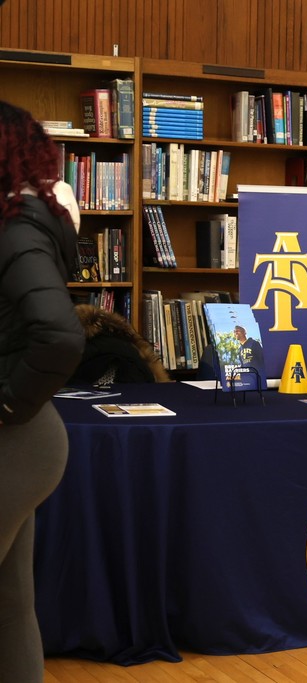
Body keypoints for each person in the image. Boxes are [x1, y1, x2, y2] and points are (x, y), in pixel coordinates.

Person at [0, 100, 87, 683]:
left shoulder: (14, 228)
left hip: (17, 435)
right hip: (22, 437)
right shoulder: (23, 223)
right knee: (11, 609)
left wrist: (7, 402)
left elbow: (59, 334)